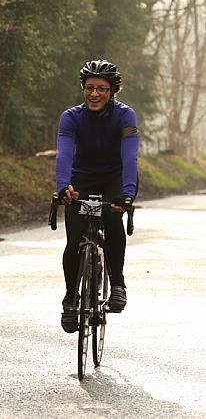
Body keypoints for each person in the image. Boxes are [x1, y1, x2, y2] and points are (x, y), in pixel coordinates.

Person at [55, 59, 139, 333]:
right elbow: (65, 154)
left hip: (115, 177)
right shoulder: (71, 117)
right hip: (83, 178)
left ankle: (117, 283)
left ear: (112, 91)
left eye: (101, 89)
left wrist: (126, 195)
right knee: (75, 238)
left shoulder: (125, 116)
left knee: (113, 221)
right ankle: (71, 298)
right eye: (89, 88)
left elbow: (129, 156)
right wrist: (64, 187)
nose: (94, 94)